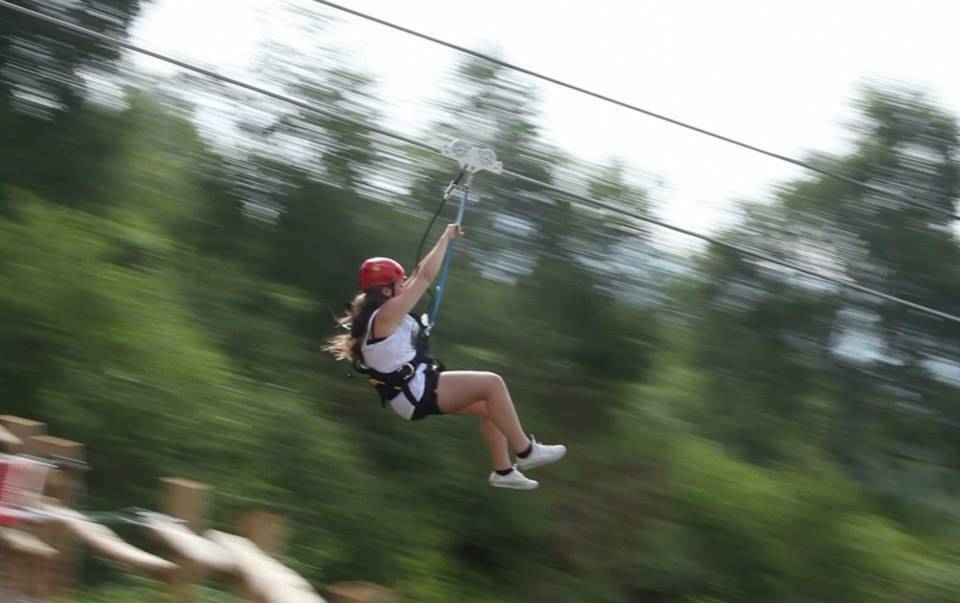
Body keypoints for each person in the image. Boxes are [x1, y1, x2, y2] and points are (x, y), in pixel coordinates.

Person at [325, 223, 566, 490]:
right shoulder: (384, 317)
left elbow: (419, 274)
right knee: (492, 383)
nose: (405, 285)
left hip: (412, 392)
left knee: (492, 408)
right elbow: (425, 277)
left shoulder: (383, 316)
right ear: (385, 291)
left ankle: (503, 470)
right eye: (398, 283)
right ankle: (526, 451)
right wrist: (445, 237)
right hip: (416, 391)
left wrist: (444, 239)